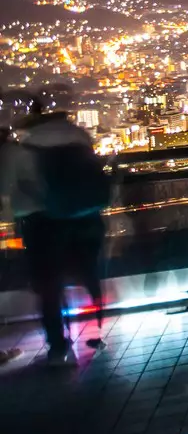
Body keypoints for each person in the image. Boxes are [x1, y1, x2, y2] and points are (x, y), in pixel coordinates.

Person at [1, 93, 109, 364]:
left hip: (44, 223)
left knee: (49, 285)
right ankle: (97, 330)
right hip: (86, 217)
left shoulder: (25, 145)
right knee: (88, 272)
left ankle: (58, 345)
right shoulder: (79, 135)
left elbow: (13, 192)